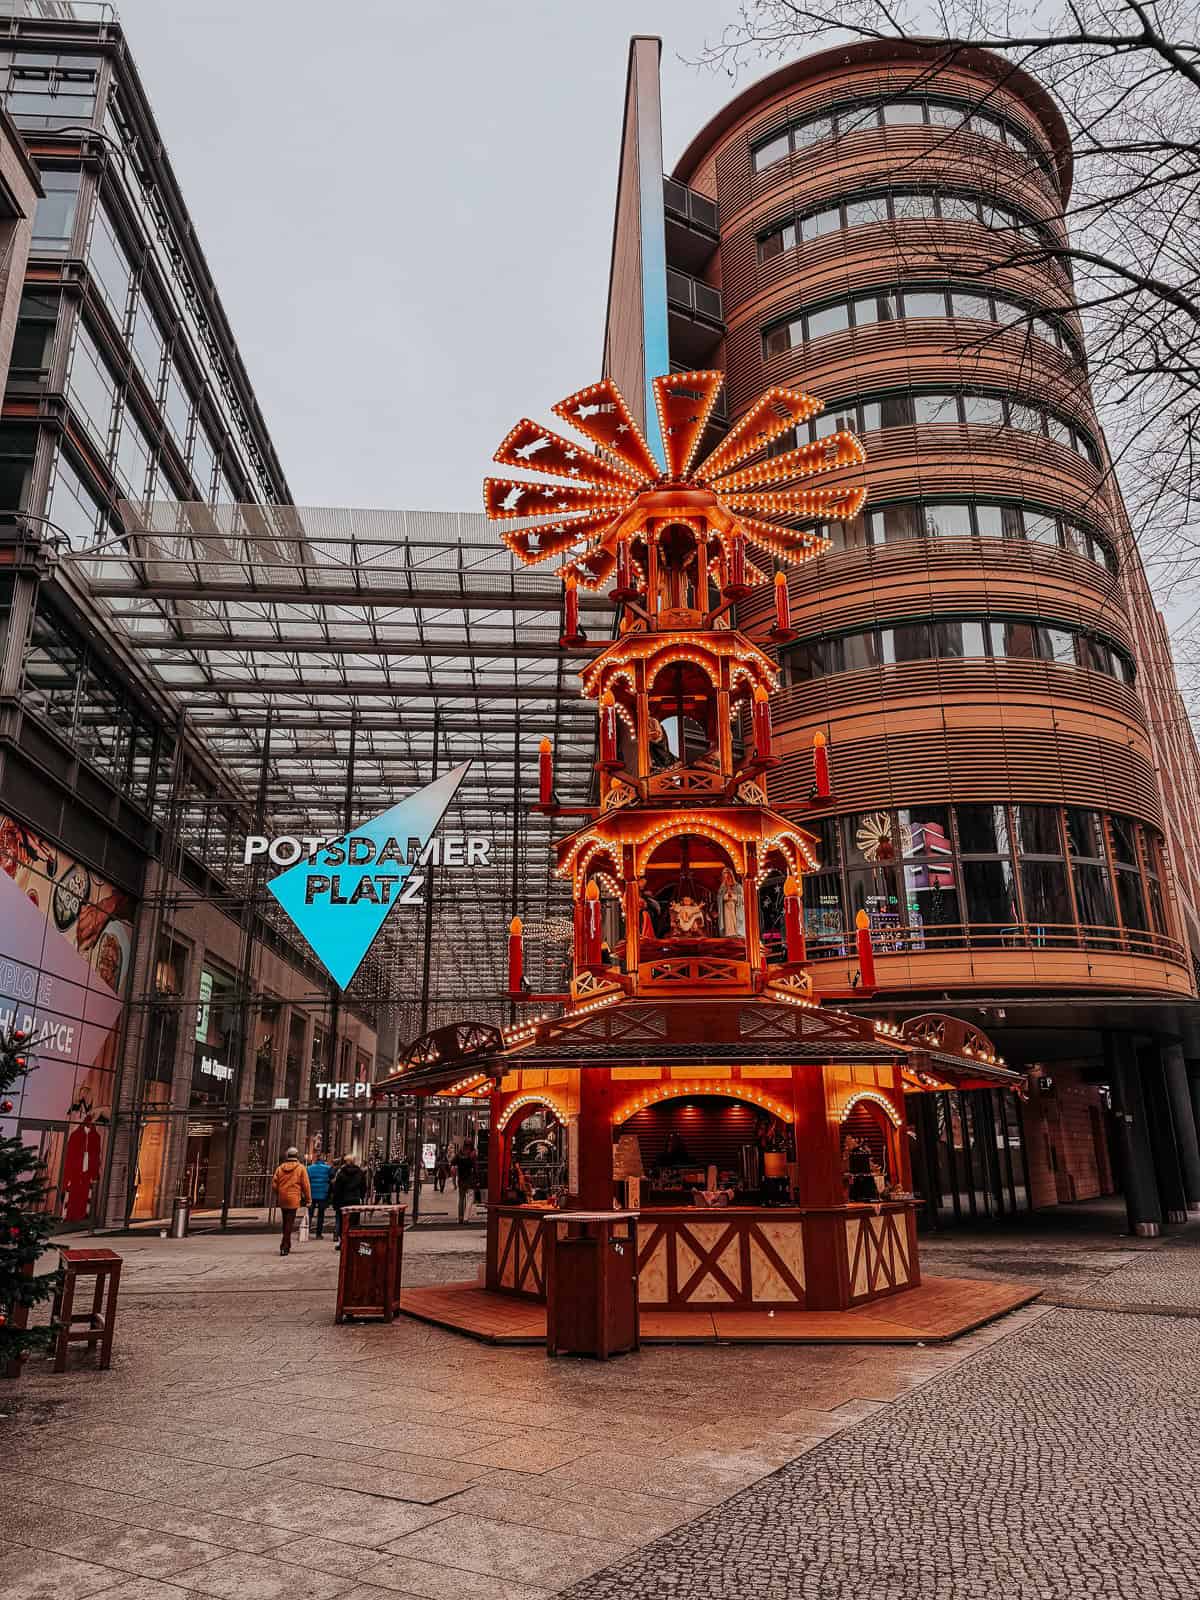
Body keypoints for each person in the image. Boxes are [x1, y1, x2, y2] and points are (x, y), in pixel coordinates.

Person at [271, 1147, 311, 1256]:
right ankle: (284, 1246)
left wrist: (279, 1192)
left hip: (282, 1198)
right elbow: (306, 1185)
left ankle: (286, 1244)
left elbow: (274, 1184)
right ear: (297, 1156)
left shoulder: (280, 1168)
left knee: (285, 1221)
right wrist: (308, 1199)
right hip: (294, 1198)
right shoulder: (301, 1168)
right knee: (289, 1222)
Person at [330, 1152, 366, 1248]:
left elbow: (337, 1189)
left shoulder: (341, 1173)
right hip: (355, 1200)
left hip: (343, 1200)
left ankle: (343, 1242)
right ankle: (353, 1242)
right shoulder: (359, 1172)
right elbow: (363, 1187)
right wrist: (362, 1197)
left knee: (342, 1222)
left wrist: (335, 1202)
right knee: (354, 1221)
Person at [306, 1151, 332, 1239]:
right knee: (321, 1214)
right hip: (323, 1194)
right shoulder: (328, 1168)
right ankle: (318, 1234)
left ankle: (306, 1231)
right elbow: (330, 1179)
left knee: (310, 1213)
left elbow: (307, 1180)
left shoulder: (309, 1168)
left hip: (312, 1193)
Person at [453, 1139, 478, 1223]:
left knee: (461, 1198)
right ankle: (466, 1218)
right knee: (470, 1198)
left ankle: (460, 1217)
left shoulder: (459, 1154)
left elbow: (452, 1162)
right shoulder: (472, 1154)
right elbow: (475, 1167)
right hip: (470, 1179)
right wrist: (477, 1178)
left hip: (461, 1179)